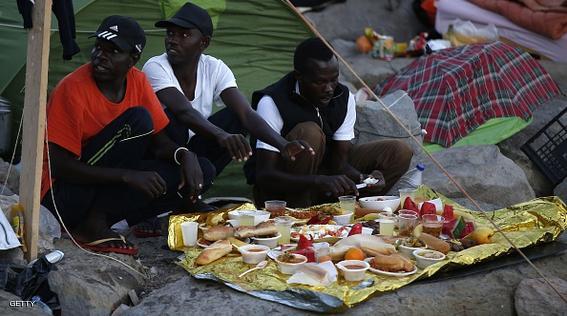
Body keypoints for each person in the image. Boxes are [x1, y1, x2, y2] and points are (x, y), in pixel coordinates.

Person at [40, 15, 213, 255]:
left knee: (202, 169)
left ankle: (113, 219)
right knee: (138, 120)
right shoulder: (71, 89)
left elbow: (160, 142)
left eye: (113, 51)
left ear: (133, 58)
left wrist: (184, 154)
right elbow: (60, 167)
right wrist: (127, 176)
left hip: (101, 187)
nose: (100, 56)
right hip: (63, 198)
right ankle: (91, 225)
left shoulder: (138, 82)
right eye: (99, 47)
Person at [142, 2, 312, 188]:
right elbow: (184, 112)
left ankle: (198, 188)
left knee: (236, 118)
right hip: (164, 150)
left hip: (193, 148)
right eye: (170, 33)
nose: (173, 40)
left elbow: (246, 113)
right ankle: (180, 191)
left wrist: (283, 144)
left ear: (204, 43)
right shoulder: (155, 66)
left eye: (184, 35)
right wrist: (221, 135)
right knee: (175, 119)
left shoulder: (214, 68)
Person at [244, 37, 413, 208]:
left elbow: (339, 163)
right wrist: (317, 181)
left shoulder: (343, 97)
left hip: (324, 181)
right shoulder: (273, 102)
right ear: (299, 77)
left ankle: (350, 207)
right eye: (319, 82)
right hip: (282, 192)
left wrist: (364, 178)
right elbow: (265, 175)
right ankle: (299, 213)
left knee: (399, 152)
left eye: (333, 79)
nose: (329, 89)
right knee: (310, 132)